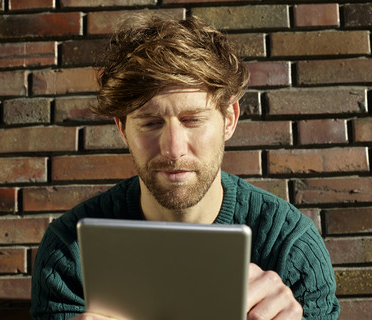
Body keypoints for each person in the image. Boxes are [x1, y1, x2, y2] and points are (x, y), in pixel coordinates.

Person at [30, 14, 340, 320]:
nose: (173, 149)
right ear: (122, 128)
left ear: (229, 119)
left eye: (192, 120)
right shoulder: (69, 251)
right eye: (151, 123)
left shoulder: (290, 249)